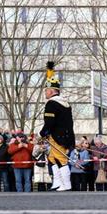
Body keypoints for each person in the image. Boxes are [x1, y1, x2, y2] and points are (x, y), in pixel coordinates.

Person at [39, 61, 75, 191]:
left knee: (60, 160)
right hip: (65, 135)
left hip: (57, 135)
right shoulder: (64, 103)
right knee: (52, 158)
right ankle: (58, 182)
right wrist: (50, 72)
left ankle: (66, 184)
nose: (45, 92)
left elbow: (49, 122)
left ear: (52, 91)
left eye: (47, 90)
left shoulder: (52, 104)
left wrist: (42, 133)